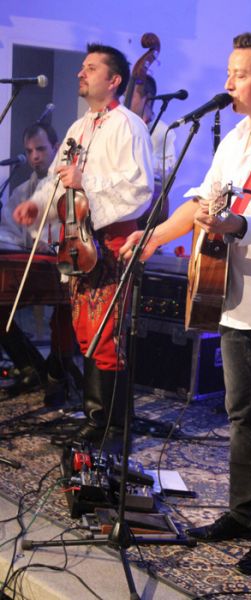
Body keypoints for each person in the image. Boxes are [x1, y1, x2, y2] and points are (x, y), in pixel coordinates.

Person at [120, 32, 251, 574]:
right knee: (240, 414)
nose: (228, 83)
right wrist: (153, 238)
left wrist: (237, 224)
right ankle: (241, 512)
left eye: (239, 74)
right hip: (232, 295)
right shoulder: (234, 137)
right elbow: (201, 202)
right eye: (229, 73)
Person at [14, 43, 154, 441]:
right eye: (81, 67)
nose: (81, 73)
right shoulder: (78, 128)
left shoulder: (129, 125)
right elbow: (59, 181)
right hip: (78, 242)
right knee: (86, 333)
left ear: (114, 80)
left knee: (107, 335)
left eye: (90, 68)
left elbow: (140, 188)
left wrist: (86, 181)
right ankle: (96, 416)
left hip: (112, 242)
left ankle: (110, 426)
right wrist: (38, 205)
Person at [0, 122, 77, 403]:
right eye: (29, 150)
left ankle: (59, 374)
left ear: (56, 148)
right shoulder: (21, 192)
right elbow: (7, 232)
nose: (34, 156)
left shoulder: (69, 188)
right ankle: (31, 367)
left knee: (64, 310)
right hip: (28, 266)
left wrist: (51, 246)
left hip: (61, 264)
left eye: (41, 149)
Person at [130, 74, 176, 228]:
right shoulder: (122, 128)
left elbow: (168, 169)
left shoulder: (163, 131)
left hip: (149, 202)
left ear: (147, 98)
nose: (125, 100)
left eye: (131, 95)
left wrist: (142, 158)